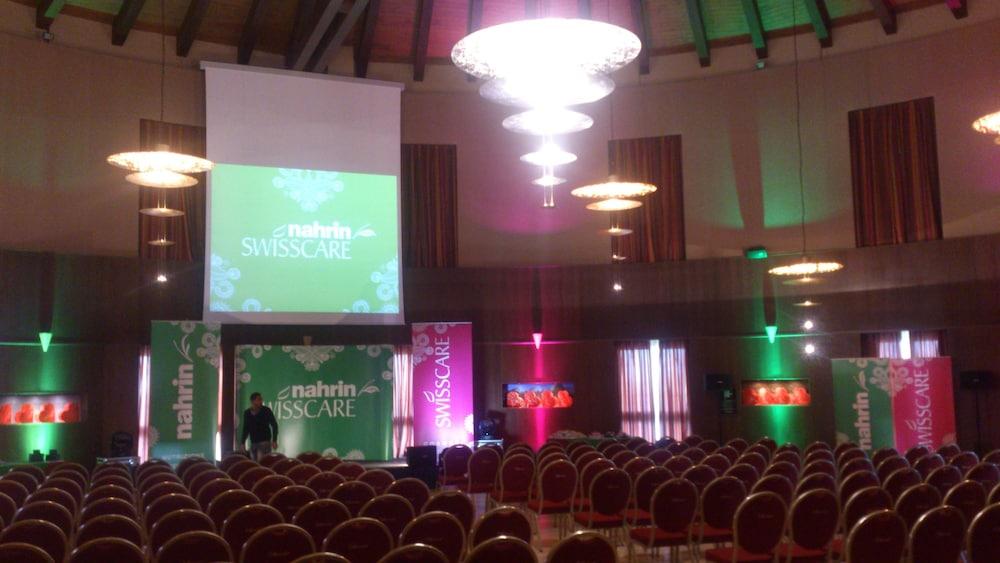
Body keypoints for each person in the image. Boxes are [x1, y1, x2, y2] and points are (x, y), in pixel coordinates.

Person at [240, 392, 278, 461]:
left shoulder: (266, 410)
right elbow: (246, 428)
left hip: (265, 442)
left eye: (261, 399)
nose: (261, 401)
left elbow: (274, 425)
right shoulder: (247, 413)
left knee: (262, 463)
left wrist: (274, 440)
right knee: (254, 464)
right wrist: (242, 443)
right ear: (253, 401)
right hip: (253, 443)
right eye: (259, 399)